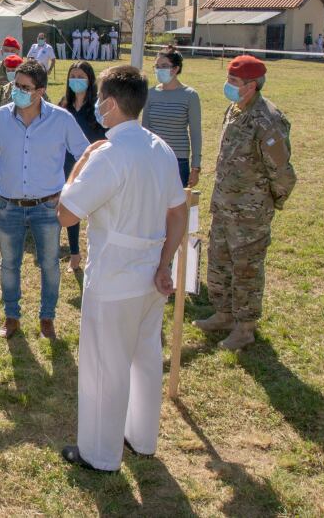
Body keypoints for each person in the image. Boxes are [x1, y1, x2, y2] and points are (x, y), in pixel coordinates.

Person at [57, 64, 187, 473]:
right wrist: (166, 264)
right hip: (152, 275)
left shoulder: (108, 155)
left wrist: (81, 161)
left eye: (99, 99)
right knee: (145, 358)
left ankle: (99, 453)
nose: (96, 105)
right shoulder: (160, 148)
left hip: (114, 277)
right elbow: (179, 213)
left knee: (103, 366)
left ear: (109, 104)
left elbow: (66, 213)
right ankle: (142, 438)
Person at [0, 60, 89, 340]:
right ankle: (11, 317)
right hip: (9, 206)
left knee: (49, 264)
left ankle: (47, 318)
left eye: (25, 88)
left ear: (41, 91)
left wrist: (70, 190)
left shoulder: (61, 120)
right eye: (16, 85)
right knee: (9, 264)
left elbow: (85, 155)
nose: (18, 92)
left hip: (48, 207)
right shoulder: (1, 117)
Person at [193, 55, 297, 351]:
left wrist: (266, 205)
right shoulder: (234, 110)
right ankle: (224, 314)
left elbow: (282, 172)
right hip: (224, 207)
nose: (228, 86)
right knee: (220, 264)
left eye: (234, 83)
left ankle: (244, 327)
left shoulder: (268, 119)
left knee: (246, 270)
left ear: (252, 86)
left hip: (250, 214)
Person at [58, 61, 107, 272]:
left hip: (94, 164)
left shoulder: (98, 106)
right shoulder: (64, 106)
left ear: (90, 80)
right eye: (73, 76)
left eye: (81, 77)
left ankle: (100, 254)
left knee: (98, 210)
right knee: (71, 206)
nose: (76, 80)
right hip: (68, 163)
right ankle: (75, 253)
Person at [141, 45, 202, 187]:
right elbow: (145, 129)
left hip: (178, 161)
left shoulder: (190, 95)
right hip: (154, 159)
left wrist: (195, 168)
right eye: (156, 66)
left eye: (164, 66)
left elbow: (195, 134)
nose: (159, 69)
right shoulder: (150, 94)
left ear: (175, 69)